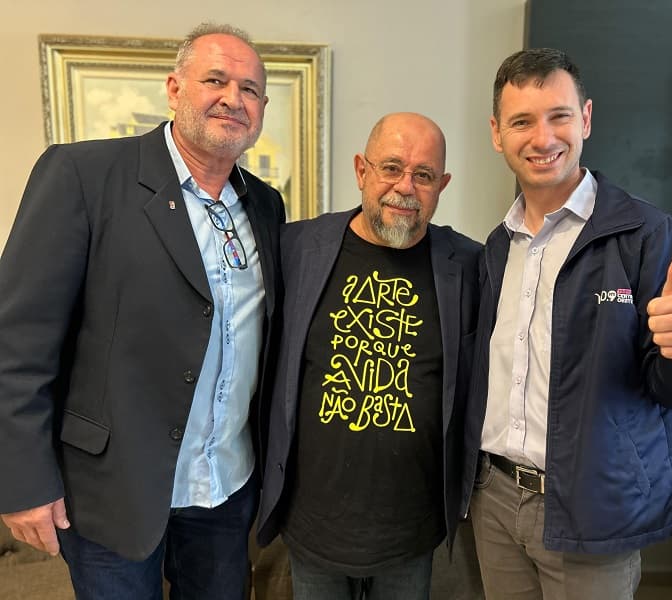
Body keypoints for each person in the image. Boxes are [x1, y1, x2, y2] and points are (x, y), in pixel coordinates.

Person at [0, 22, 284, 600]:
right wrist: (21, 480)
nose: (234, 98)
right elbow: (17, 344)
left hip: (226, 491)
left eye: (251, 89)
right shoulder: (83, 176)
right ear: (175, 89)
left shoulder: (266, 204)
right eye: (216, 80)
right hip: (112, 491)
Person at [465, 48, 672, 600]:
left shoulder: (645, 234)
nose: (542, 137)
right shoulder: (495, 247)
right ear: (496, 133)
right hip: (496, 501)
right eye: (522, 121)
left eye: (558, 116)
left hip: (593, 511)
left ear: (584, 118)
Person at [256, 112, 481, 599]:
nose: (405, 187)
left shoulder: (468, 265)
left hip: (409, 529)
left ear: (441, 185)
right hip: (313, 522)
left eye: (423, 175)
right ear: (362, 170)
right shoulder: (295, 247)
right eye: (391, 168)